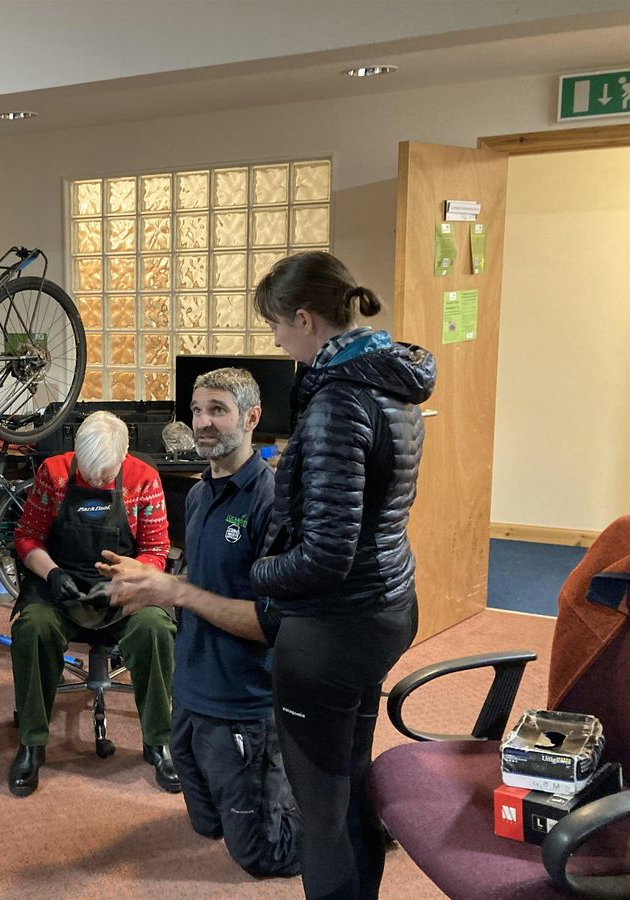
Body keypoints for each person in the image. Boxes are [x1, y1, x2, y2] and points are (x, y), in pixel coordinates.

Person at [251, 251, 434, 899]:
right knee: (350, 778)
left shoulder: (338, 400)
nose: (274, 340)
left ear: (305, 319)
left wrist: (259, 573)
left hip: (334, 627)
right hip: (385, 602)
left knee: (322, 813)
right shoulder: (392, 378)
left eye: (276, 324)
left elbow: (323, 556)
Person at [97, 370, 301, 879]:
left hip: (242, 703)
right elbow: (201, 581)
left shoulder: (271, 504)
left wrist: (171, 590)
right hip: (190, 693)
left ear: (252, 418)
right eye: (196, 410)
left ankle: (353, 815)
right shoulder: (198, 494)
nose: (202, 423)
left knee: (261, 856)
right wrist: (149, 579)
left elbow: (269, 624)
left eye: (218, 410)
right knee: (205, 825)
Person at [9, 411, 176, 796]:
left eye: (105, 474)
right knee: (32, 627)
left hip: (122, 590)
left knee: (155, 628)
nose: (97, 481)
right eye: (89, 472)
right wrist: (51, 573)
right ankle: (32, 742)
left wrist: (123, 579)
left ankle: (158, 740)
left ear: (124, 455)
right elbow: (27, 537)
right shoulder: (54, 473)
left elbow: (156, 549)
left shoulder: (142, 479)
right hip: (60, 586)